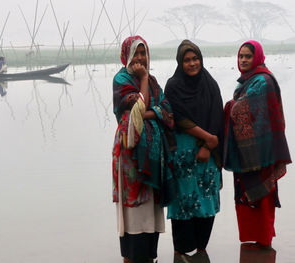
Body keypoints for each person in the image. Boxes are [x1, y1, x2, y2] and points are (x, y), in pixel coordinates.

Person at [112, 35, 175, 263]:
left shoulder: (155, 82)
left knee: (150, 208)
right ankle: (131, 256)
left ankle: (148, 257)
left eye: (143, 53)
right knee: (135, 207)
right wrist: (144, 78)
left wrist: (151, 110)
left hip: (154, 156)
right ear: (127, 56)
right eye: (135, 53)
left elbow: (167, 112)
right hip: (132, 156)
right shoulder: (121, 80)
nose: (140, 58)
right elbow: (138, 107)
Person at [224, 40, 291, 248]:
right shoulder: (245, 81)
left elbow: (240, 109)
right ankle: (255, 239)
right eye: (241, 56)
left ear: (258, 57)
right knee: (246, 194)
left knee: (262, 197)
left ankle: (264, 240)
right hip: (247, 150)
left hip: (262, 151)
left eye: (248, 56)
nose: (243, 60)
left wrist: (228, 106)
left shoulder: (263, 81)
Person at [164, 40, 224, 262]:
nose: (192, 63)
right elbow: (177, 117)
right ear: (180, 63)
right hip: (183, 155)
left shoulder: (210, 84)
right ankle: (181, 249)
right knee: (183, 201)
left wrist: (208, 146)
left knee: (206, 199)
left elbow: (218, 116)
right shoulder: (173, 86)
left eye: (195, 58)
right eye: (187, 60)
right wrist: (207, 138)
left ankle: (201, 248)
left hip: (207, 154)